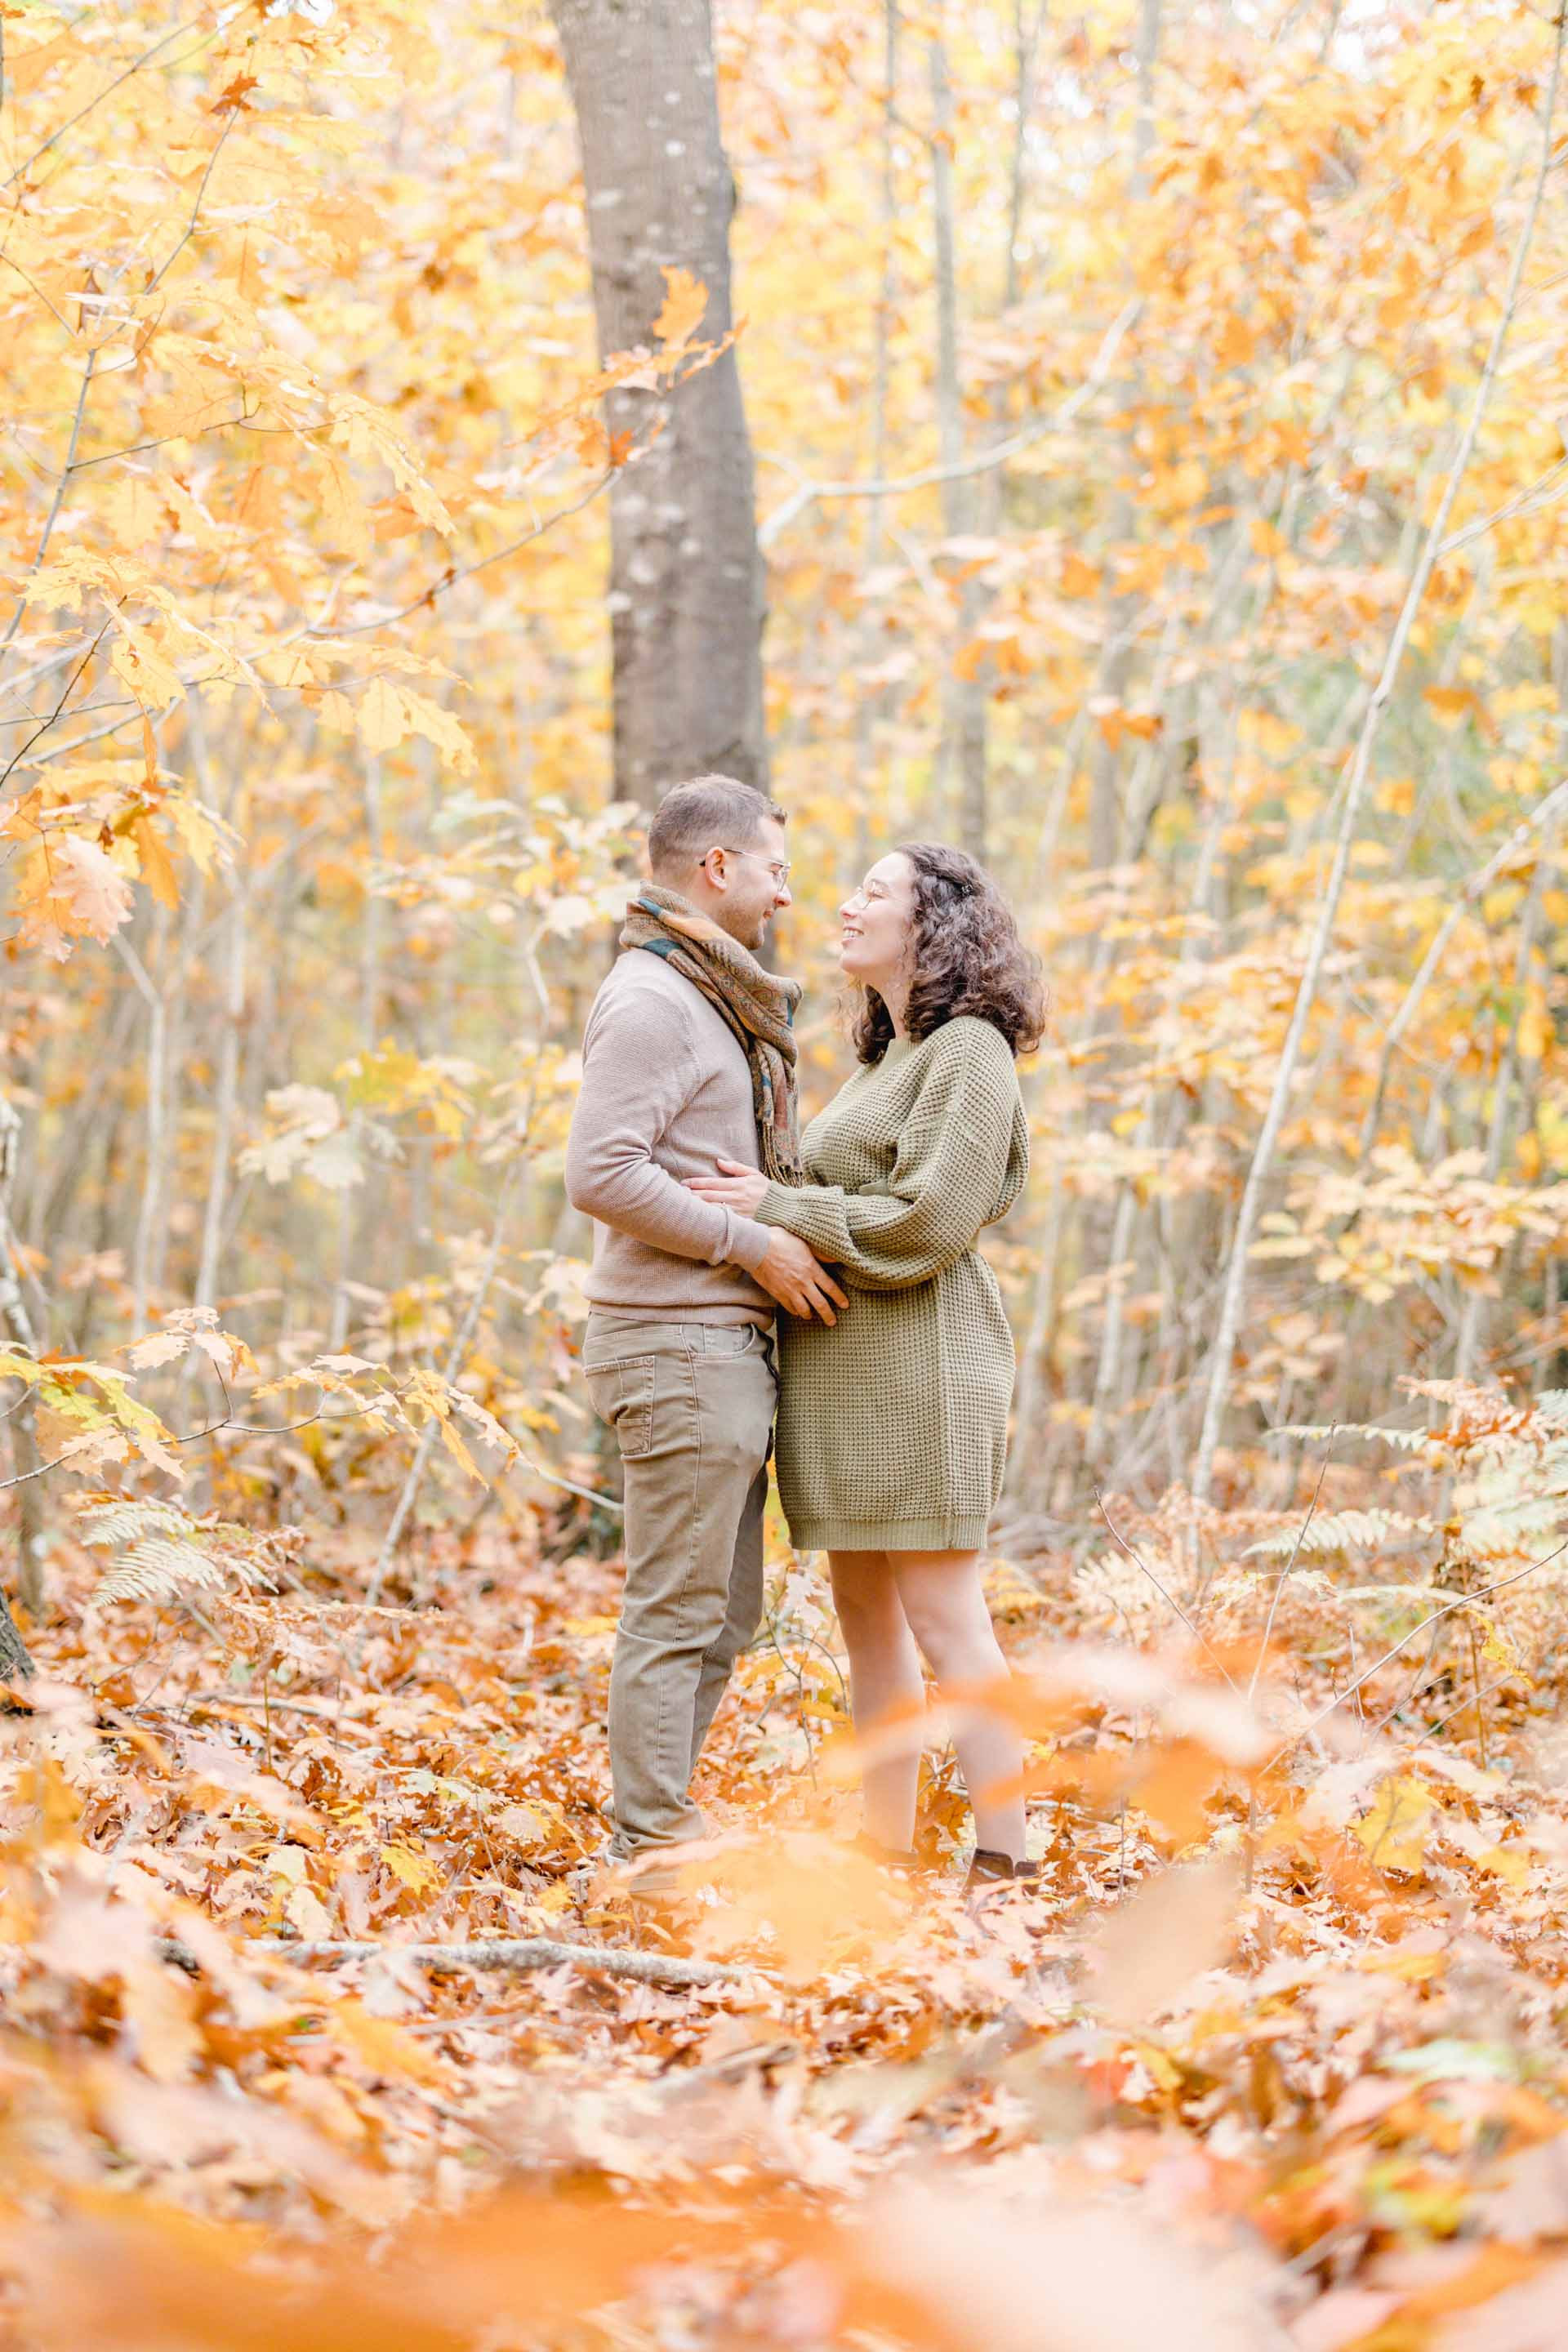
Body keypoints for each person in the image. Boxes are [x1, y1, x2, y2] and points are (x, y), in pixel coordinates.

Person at [688, 842, 1046, 1890]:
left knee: (947, 1623)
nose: (844, 906)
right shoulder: (890, 1060)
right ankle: (882, 1853)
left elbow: (931, 1223)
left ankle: (1008, 1862)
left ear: (934, 924)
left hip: (923, 1370)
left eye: (874, 892)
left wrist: (777, 1207)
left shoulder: (970, 1050)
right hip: (848, 1384)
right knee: (867, 1628)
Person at [564, 775, 848, 1886]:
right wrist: (755, 1247)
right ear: (714, 868)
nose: (786, 894)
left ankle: (660, 1824)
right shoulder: (654, 1000)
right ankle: (650, 1843)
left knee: (721, 1615)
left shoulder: (708, 996)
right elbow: (600, 1172)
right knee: (676, 1611)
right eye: (774, 869)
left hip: (717, 1347)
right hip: (677, 1343)